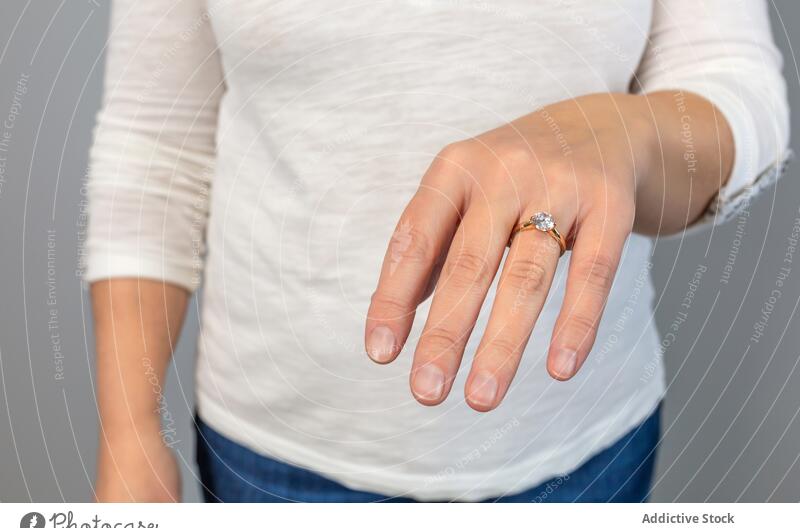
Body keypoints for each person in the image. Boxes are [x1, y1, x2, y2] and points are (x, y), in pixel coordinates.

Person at [85, 0, 790, 502]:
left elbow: (737, 83)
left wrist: (630, 132)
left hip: (579, 451)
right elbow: (154, 141)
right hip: (273, 454)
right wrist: (127, 429)